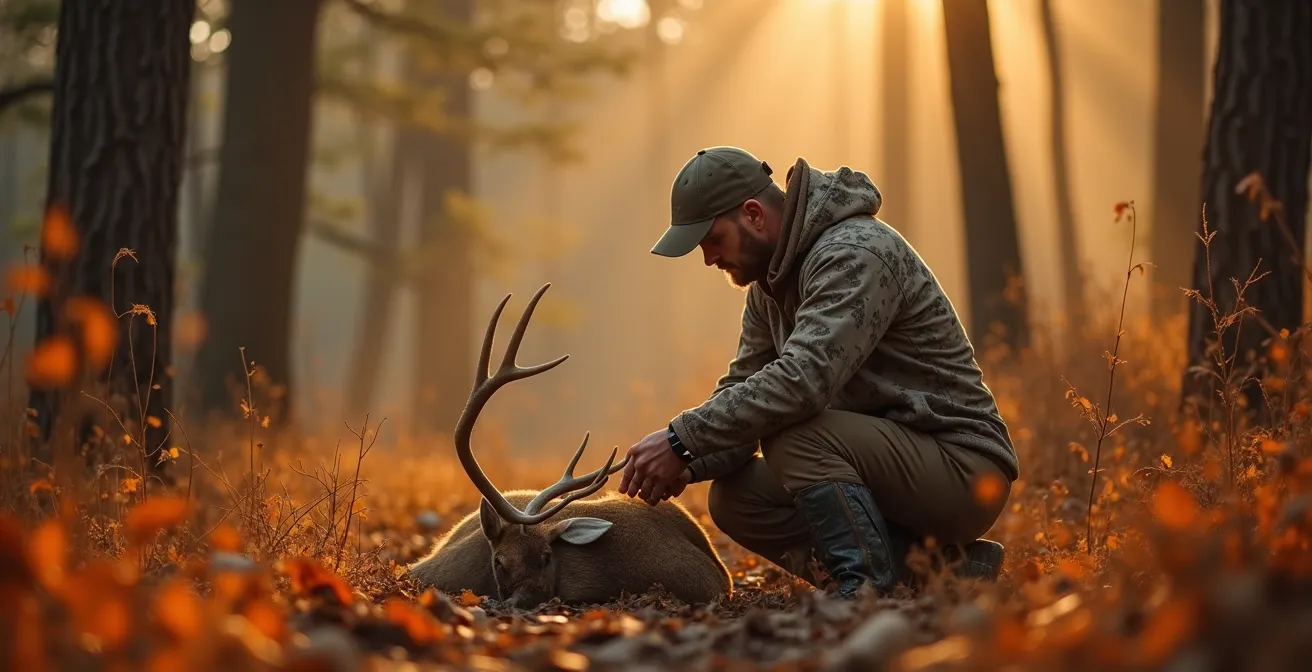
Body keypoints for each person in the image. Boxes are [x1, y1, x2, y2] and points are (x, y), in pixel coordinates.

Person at [617, 146, 1020, 598]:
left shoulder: (854, 252)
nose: (708, 259)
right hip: (885, 464)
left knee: (795, 434)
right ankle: (947, 573)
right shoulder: (768, 286)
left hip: (962, 470)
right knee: (736, 499)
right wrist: (686, 463)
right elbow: (745, 390)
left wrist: (680, 438)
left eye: (711, 240)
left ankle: (863, 591)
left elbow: (801, 383)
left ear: (753, 214)